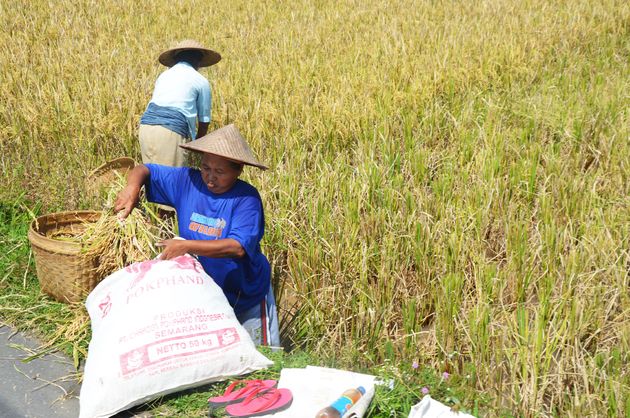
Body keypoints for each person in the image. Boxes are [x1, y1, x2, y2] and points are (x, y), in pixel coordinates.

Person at [115, 124, 279, 347]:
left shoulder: (246, 198)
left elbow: (237, 247)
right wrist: (132, 188)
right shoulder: (188, 181)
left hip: (245, 294)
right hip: (206, 295)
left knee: (260, 362)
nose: (210, 177)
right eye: (205, 168)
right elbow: (144, 170)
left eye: (220, 172)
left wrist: (186, 246)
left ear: (238, 169)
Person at [138, 39, 221, 167]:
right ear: (198, 61)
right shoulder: (200, 80)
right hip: (171, 131)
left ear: (176, 59)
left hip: (145, 127)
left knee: (152, 176)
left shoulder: (164, 75)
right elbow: (204, 121)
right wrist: (197, 146)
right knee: (173, 179)